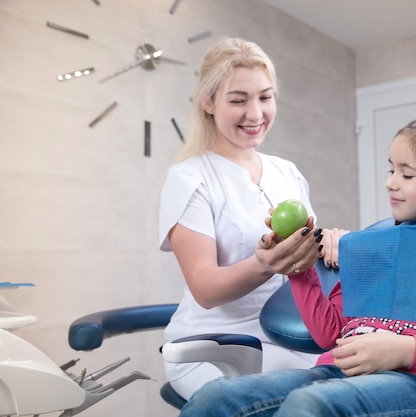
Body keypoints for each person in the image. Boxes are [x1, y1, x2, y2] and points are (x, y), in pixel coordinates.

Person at [178, 115, 416, 417]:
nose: (390, 183)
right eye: (390, 170)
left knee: (310, 405)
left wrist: (406, 351)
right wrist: (299, 267)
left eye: (406, 174)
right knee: (217, 398)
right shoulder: (372, 247)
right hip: (335, 373)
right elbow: (331, 335)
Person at [158, 36, 346, 401]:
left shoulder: (287, 172)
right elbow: (205, 290)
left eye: (265, 96)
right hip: (214, 346)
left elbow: (306, 259)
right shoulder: (190, 177)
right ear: (208, 102)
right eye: (238, 100)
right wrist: (265, 264)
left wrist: (331, 243)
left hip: (288, 337)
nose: (256, 113)